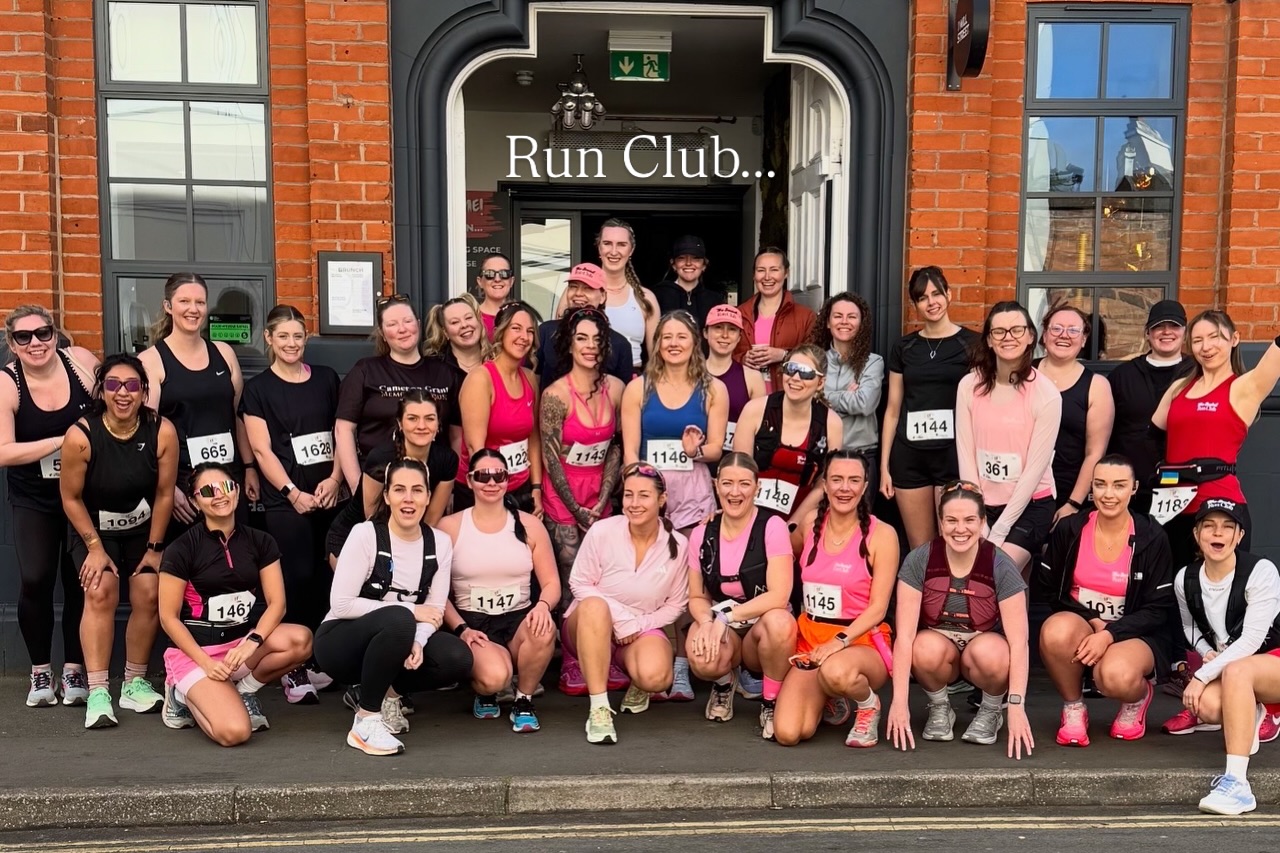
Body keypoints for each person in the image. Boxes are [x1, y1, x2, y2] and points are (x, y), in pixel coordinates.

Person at [314, 458, 472, 756]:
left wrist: (418, 641)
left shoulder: (439, 543)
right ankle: (365, 721)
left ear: (428, 496)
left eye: (417, 490)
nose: (408, 498)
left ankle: (388, 696)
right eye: (399, 490)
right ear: (387, 496)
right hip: (340, 642)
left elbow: (434, 609)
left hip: (398, 636)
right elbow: (342, 604)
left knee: (457, 658)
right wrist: (410, 613)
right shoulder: (365, 534)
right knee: (400, 618)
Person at [59, 354, 177, 727]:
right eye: (113, 385)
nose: (122, 393)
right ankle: (97, 692)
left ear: (144, 391)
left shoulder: (162, 430)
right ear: (102, 391)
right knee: (100, 589)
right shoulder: (81, 435)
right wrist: (94, 548)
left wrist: (155, 550)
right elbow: (70, 498)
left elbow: (165, 494)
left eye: (131, 385)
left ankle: (133, 682)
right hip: (95, 529)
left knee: (150, 591)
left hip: (143, 528)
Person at [158, 462, 313, 744]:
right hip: (196, 654)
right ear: (194, 501)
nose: (219, 495)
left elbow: (277, 604)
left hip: (238, 647)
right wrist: (205, 663)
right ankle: (180, 694)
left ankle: (244, 690)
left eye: (226, 487)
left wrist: (252, 641)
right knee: (235, 732)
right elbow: (168, 618)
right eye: (208, 491)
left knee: (301, 640)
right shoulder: (181, 549)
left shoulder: (261, 541)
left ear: (238, 491)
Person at [622, 310, 729, 702]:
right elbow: (630, 452)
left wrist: (695, 449)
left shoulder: (713, 389)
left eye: (681, 336)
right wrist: (640, 491)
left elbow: (716, 448)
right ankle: (647, 662)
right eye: (666, 337)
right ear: (657, 344)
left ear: (695, 341)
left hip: (693, 495)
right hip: (650, 495)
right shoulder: (638, 388)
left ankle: (682, 665)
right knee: (646, 578)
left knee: (689, 580)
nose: (673, 343)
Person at [240, 304, 343, 703]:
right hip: (286, 501)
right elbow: (262, 450)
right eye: (283, 336)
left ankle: (322, 658)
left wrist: (335, 479)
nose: (291, 343)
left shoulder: (327, 379)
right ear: (269, 338)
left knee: (328, 578)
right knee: (296, 577)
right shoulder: (258, 389)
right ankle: (293, 667)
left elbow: (341, 433)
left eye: (298, 336)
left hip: (329, 496)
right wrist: (292, 493)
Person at [885, 480, 1033, 756]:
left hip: (983, 650)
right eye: (951, 520)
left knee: (995, 653)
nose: (960, 529)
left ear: (982, 522)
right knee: (920, 647)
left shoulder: (1000, 564)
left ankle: (991, 709)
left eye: (969, 520)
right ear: (941, 523)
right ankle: (940, 706)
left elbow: (1019, 642)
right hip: (940, 650)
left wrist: (1016, 706)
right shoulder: (919, 560)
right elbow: (903, 637)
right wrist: (899, 702)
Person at [1037, 455, 1176, 746]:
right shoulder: (1070, 529)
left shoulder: (1152, 536)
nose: (1108, 494)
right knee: (1055, 631)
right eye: (1100, 484)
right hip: (1085, 624)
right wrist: (1094, 622)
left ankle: (1136, 699)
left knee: (1113, 676)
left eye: (1119, 485)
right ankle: (1074, 708)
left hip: (1135, 633)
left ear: (1134, 488)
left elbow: (1158, 609)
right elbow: (1051, 590)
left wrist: (1111, 633)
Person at [1, 304, 97, 707]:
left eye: (43, 333)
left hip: (85, 494)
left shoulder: (81, 363)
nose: (35, 343)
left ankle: (74, 668)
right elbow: (4, 451)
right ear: (12, 344)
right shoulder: (8, 383)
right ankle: (41, 671)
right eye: (24, 337)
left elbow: (114, 408)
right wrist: (64, 440)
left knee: (82, 580)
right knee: (36, 578)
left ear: (55, 334)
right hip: (35, 498)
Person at [773, 450, 899, 748]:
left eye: (854, 480)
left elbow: (879, 608)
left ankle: (867, 705)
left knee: (836, 671)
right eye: (837, 479)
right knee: (789, 733)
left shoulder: (883, 535)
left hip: (859, 641)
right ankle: (829, 695)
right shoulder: (809, 524)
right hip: (811, 641)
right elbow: (777, 544)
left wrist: (838, 642)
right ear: (825, 486)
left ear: (865, 486)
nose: (845, 488)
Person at [1166, 499, 1280, 814]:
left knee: (1237, 672)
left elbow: (1253, 640)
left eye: (1228, 527)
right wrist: (1208, 653)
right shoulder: (1186, 578)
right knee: (1206, 705)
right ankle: (1253, 710)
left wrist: (1203, 674)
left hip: (1271, 660)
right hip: (1236, 664)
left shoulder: (1261, 571)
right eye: (1210, 526)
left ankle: (1238, 785)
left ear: (1239, 536)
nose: (1218, 533)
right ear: (1196, 533)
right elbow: (1189, 628)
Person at [565, 462, 689, 744]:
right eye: (629, 495)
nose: (634, 503)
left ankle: (638, 683)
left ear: (662, 499)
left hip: (638, 630)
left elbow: (676, 604)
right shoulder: (602, 531)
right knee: (595, 606)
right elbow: (580, 583)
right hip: (587, 624)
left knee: (656, 678)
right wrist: (621, 619)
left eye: (644, 495)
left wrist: (636, 625)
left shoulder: (679, 545)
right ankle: (599, 709)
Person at [439, 450, 560, 732]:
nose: (491, 483)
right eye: (483, 476)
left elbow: (552, 584)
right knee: (494, 677)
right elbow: (436, 592)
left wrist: (543, 607)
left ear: (508, 480)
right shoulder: (449, 527)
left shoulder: (530, 525)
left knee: (545, 629)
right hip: (474, 624)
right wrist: (461, 629)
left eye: (499, 476)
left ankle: (524, 700)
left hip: (519, 620)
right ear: (470, 480)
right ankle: (486, 690)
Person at [1150, 310, 1280, 569]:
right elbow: (1151, 436)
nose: (1206, 347)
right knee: (1173, 588)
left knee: (1218, 590)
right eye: (1198, 340)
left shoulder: (1244, 387)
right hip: (1171, 510)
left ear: (1234, 339)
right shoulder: (1179, 388)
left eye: (1214, 337)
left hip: (1220, 510)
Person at [685, 453, 796, 739]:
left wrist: (724, 617)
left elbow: (779, 595)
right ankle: (724, 683)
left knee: (780, 622)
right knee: (699, 648)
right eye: (727, 483)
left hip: (762, 628)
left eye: (744, 484)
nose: (735, 492)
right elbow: (696, 596)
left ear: (757, 487)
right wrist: (706, 622)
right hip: (728, 630)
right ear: (716, 485)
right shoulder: (701, 534)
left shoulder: (773, 526)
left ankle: (771, 701)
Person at [138, 273, 258, 538]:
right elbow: (146, 433)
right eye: (184, 301)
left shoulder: (224, 353)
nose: (193, 309)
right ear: (168, 306)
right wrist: (167, 488)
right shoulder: (151, 361)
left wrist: (249, 467)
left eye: (200, 302)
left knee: (236, 555)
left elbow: (238, 416)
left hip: (229, 480)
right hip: (184, 486)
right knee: (192, 559)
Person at [955, 301, 1062, 575]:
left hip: (1031, 504)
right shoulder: (968, 386)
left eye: (1016, 330)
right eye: (999, 331)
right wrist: (978, 517)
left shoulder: (1046, 394)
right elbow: (965, 454)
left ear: (1030, 336)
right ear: (989, 340)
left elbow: (1034, 470)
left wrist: (999, 530)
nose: (1008, 337)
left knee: (996, 573)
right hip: (981, 503)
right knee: (1000, 581)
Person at [879, 267, 980, 548]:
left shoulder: (973, 344)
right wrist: (885, 467)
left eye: (936, 294)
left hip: (953, 457)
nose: (931, 302)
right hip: (909, 458)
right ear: (915, 304)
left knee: (955, 544)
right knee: (921, 549)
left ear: (949, 295)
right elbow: (893, 409)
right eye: (922, 298)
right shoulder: (904, 347)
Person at [540, 306, 624, 614]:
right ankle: (569, 640)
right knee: (571, 574)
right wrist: (575, 510)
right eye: (582, 338)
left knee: (603, 573)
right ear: (569, 344)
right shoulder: (555, 395)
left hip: (599, 490)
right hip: (562, 492)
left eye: (597, 339)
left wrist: (603, 498)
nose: (590, 346)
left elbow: (616, 447)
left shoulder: (617, 389)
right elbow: (550, 458)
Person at [334, 294, 459, 492]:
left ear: (418, 324)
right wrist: (358, 487)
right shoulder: (366, 371)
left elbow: (456, 435)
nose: (402, 329)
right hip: (377, 482)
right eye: (392, 324)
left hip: (432, 486)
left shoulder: (444, 373)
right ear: (382, 333)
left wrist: (451, 487)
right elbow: (343, 430)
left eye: (407, 321)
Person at [327, 391, 458, 566]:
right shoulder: (381, 457)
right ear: (400, 423)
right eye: (412, 418)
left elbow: (431, 520)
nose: (421, 426)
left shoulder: (447, 460)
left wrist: (411, 553)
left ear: (438, 424)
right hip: (357, 536)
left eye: (429, 418)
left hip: (412, 539)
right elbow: (372, 519)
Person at [732, 343, 841, 523]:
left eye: (806, 373)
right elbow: (740, 471)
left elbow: (824, 483)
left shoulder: (832, 423)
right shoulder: (754, 410)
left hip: (802, 517)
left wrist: (793, 525)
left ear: (820, 383)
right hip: (750, 512)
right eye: (791, 369)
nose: (795, 378)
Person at [457, 301, 543, 514]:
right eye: (516, 328)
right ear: (500, 332)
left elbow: (533, 437)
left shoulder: (530, 378)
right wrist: (491, 491)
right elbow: (475, 447)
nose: (524, 337)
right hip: (484, 487)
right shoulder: (481, 379)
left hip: (521, 487)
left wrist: (536, 487)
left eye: (530, 331)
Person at [1106, 300, 1190, 515]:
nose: (1166, 332)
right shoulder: (1122, 376)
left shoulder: (1198, 373)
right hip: (1132, 490)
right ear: (1147, 333)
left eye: (1174, 326)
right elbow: (1105, 433)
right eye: (1158, 326)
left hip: (1186, 487)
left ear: (1185, 332)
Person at [1033, 303, 1115, 524]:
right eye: (1057, 328)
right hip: (1020, 493)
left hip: (1068, 495)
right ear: (1045, 335)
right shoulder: (1023, 375)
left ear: (1084, 339)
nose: (1064, 335)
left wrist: (1073, 503)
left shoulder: (1097, 386)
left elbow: (1094, 453)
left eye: (1073, 330)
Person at [557, 220, 660, 373]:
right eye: (607, 243)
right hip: (580, 376)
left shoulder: (646, 298)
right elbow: (559, 341)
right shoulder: (575, 294)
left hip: (629, 379)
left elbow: (656, 359)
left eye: (621, 244)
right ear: (599, 247)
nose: (613, 251)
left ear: (631, 250)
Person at [812, 293, 884, 494]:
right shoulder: (816, 361)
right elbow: (805, 400)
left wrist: (824, 395)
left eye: (852, 316)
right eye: (838, 316)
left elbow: (864, 403)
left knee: (861, 515)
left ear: (861, 323)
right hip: (821, 455)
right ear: (828, 322)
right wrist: (846, 395)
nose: (844, 321)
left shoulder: (873, 362)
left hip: (861, 455)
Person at [734, 248, 817, 392]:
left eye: (774, 270)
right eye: (761, 270)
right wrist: (742, 359)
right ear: (754, 275)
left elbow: (816, 359)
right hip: (746, 397)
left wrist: (784, 355)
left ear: (786, 273)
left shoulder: (806, 317)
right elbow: (721, 356)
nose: (767, 277)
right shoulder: (739, 314)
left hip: (787, 397)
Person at [536, 264, 633, 387]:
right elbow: (532, 379)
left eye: (588, 288)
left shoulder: (620, 344)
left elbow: (624, 392)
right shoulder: (546, 331)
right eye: (573, 287)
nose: (578, 293)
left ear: (603, 296)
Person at [703, 304, 765, 450]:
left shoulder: (753, 378)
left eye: (732, 329)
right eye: (718, 327)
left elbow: (759, 428)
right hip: (695, 456)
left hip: (735, 458)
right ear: (705, 332)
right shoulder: (688, 374)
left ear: (739, 337)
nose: (725, 335)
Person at [651, 235, 726, 328]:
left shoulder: (715, 300)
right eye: (681, 258)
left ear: (704, 265)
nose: (688, 263)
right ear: (673, 264)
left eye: (696, 258)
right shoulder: (656, 296)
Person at [423, 293, 486, 384]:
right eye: (455, 322)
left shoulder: (498, 360)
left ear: (479, 321)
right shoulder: (432, 368)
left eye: (468, 318)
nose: (464, 325)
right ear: (445, 332)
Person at [474, 253, 515, 340]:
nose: (497, 279)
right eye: (490, 274)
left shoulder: (521, 317)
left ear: (511, 281)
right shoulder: (471, 318)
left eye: (504, 273)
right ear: (480, 281)